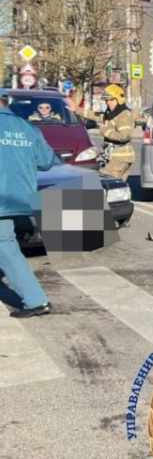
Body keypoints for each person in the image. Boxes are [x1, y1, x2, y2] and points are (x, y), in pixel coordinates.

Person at [0, 91, 55, 318]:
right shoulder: (28, 128)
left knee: (6, 246)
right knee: (6, 243)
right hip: (21, 196)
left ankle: (35, 300)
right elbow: (46, 162)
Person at [65, 85, 136, 180]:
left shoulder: (124, 115)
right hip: (114, 156)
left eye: (111, 100)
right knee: (117, 187)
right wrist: (76, 110)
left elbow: (124, 136)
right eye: (107, 100)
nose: (108, 103)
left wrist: (105, 131)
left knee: (105, 179)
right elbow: (95, 115)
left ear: (119, 99)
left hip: (120, 157)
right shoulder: (110, 114)